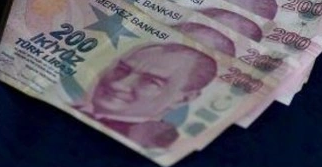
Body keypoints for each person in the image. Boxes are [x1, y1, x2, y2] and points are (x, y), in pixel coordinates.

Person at [73, 43, 217, 149]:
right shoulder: (73, 107)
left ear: (183, 99)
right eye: (122, 69)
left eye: (151, 81)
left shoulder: (155, 145)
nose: (118, 84)